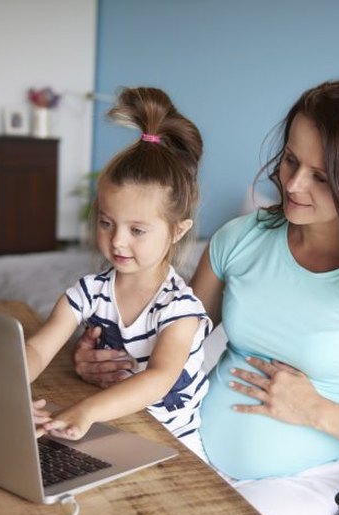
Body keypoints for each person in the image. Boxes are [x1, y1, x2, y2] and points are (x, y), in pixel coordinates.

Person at [73, 78, 339, 515]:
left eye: (320, 176)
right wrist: (104, 361)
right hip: (195, 449)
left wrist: (316, 411)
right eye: (291, 159)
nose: (292, 184)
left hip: (303, 480)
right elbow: (175, 345)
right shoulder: (241, 239)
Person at [29, 86, 211, 457]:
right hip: (112, 433)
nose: (118, 242)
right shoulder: (88, 291)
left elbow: (159, 379)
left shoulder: (180, 309)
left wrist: (86, 411)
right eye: (107, 223)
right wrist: (7, 389)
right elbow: (37, 347)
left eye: (137, 230)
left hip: (174, 451)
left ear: (178, 230)